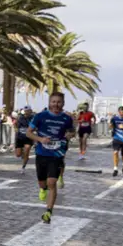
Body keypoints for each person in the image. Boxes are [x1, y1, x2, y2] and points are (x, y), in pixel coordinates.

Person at [27, 92, 74, 224]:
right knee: (43, 183)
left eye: (59, 102)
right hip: (42, 154)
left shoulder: (66, 118)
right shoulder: (40, 116)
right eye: (53, 101)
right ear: (49, 102)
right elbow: (29, 133)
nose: (56, 104)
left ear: (63, 103)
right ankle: (42, 189)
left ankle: (48, 212)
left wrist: (69, 135)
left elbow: (71, 131)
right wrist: (41, 139)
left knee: (52, 183)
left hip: (56, 154)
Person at [12, 106, 34, 174]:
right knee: (18, 154)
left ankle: (23, 168)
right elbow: (15, 124)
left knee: (27, 149)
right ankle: (23, 155)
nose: (26, 112)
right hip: (20, 137)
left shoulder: (33, 118)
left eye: (28, 110)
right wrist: (16, 129)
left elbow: (37, 126)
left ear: (31, 111)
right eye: (25, 110)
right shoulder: (20, 117)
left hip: (28, 137)